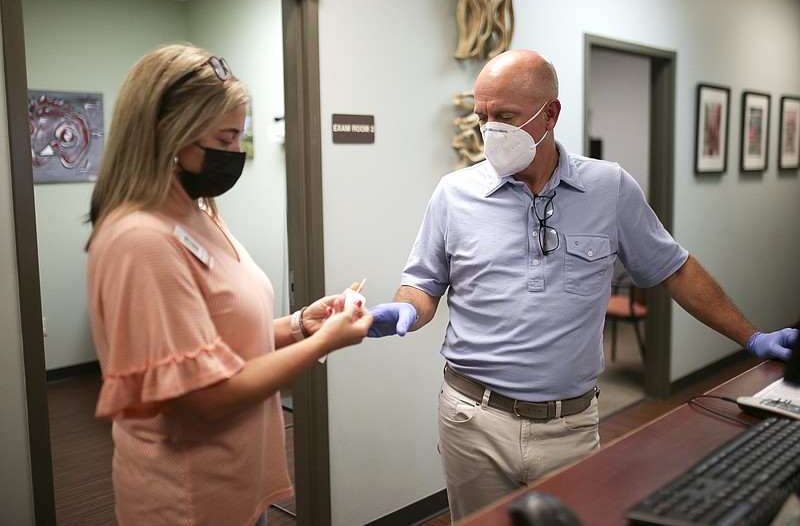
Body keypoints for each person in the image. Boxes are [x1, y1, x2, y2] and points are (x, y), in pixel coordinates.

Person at [367, 49, 798, 520]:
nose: (490, 130)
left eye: (505, 116)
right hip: (473, 420)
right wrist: (406, 309)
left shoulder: (608, 188)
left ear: (550, 113)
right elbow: (423, 284)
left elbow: (675, 269)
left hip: (568, 426)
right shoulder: (454, 194)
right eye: (483, 116)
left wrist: (750, 336)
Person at [85, 43, 372, 526]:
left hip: (236, 481)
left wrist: (303, 324)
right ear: (168, 134)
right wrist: (328, 341)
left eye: (240, 136)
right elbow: (205, 396)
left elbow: (220, 337)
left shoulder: (197, 214)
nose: (235, 154)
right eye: (224, 139)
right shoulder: (141, 239)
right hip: (187, 498)